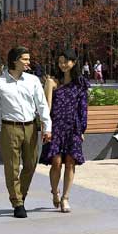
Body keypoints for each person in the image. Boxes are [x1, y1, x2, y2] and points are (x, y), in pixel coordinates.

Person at [0, 46, 52, 218]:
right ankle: (17, 203)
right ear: (15, 60)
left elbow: (42, 105)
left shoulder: (33, 80)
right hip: (10, 128)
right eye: (25, 59)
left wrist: (47, 126)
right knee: (12, 167)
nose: (29, 62)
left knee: (30, 165)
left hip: (30, 128)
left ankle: (20, 195)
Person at [40, 48, 90, 212]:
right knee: (56, 162)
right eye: (60, 62)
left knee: (70, 162)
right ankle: (55, 192)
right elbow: (47, 106)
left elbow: (83, 108)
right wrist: (46, 127)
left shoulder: (81, 83)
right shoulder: (52, 82)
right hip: (56, 127)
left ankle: (65, 198)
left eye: (65, 61)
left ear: (73, 62)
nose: (62, 65)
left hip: (73, 127)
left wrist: (82, 129)